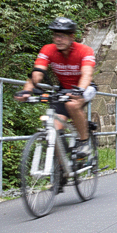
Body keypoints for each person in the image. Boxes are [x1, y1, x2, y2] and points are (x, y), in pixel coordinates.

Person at [15, 17, 96, 157]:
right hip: (63, 89)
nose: (58, 39)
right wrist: (27, 90)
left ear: (72, 36)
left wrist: (79, 91)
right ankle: (61, 167)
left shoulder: (84, 50)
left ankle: (84, 142)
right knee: (54, 127)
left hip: (85, 87)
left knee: (72, 104)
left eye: (62, 36)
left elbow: (87, 74)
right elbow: (37, 72)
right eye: (55, 35)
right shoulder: (48, 49)